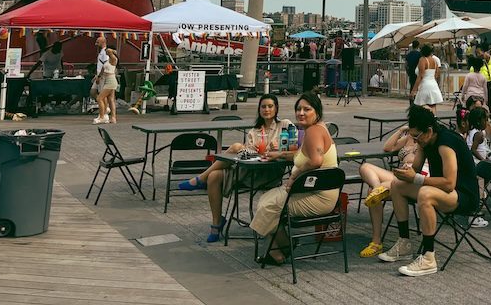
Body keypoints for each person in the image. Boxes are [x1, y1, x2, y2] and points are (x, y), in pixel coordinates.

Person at [378, 105, 480, 277]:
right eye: (413, 137)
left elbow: (449, 183)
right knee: (397, 185)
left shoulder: (445, 144)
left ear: (429, 131)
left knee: (425, 194)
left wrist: (415, 178)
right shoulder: (426, 140)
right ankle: (404, 243)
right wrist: (404, 172)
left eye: (417, 137)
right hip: (446, 190)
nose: (415, 141)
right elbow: (416, 168)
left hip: (464, 195)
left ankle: (428, 257)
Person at [180, 94, 296, 242]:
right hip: (249, 170)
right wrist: (250, 149)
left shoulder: (285, 125)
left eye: (270, 106)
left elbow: (293, 146)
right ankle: (217, 223)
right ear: (259, 109)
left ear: (276, 108)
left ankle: (199, 179)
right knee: (214, 176)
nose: (266, 109)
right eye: (263, 106)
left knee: (234, 146)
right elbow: (248, 154)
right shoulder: (254, 131)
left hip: (269, 172)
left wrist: (278, 148)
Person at [252, 92, 338, 266]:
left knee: (267, 207)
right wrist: (281, 154)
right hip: (318, 192)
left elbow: (315, 161)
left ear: (317, 112)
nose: (301, 113)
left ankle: (281, 249)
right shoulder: (315, 129)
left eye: (307, 109)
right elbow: (303, 155)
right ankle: (283, 245)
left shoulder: (314, 131)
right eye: (298, 109)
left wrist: (293, 177)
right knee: (265, 200)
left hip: (318, 196)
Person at [357, 123, 420, 258]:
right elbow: (387, 148)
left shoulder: (427, 139)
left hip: (413, 179)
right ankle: (377, 188)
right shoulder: (409, 137)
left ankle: (376, 242)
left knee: (370, 193)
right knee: (365, 167)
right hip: (399, 175)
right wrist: (401, 130)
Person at [410, 44, 443, 112]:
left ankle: (424, 120)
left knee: (420, 105)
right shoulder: (434, 60)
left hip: (425, 85)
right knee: (433, 105)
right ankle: (433, 119)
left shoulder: (422, 60)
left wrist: (413, 90)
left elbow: (420, 76)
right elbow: (437, 74)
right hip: (433, 84)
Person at [93, 48, 119, 125]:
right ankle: (113, 118)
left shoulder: (114, 59)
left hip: (111, 80)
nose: (105, 52)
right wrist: (98, 77)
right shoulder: (107, 60)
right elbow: (102, 70)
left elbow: (110, 52)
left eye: (107, 51)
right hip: (106, 80)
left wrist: (111, 51)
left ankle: (102, 117)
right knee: (110, 99)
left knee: (99, 98)